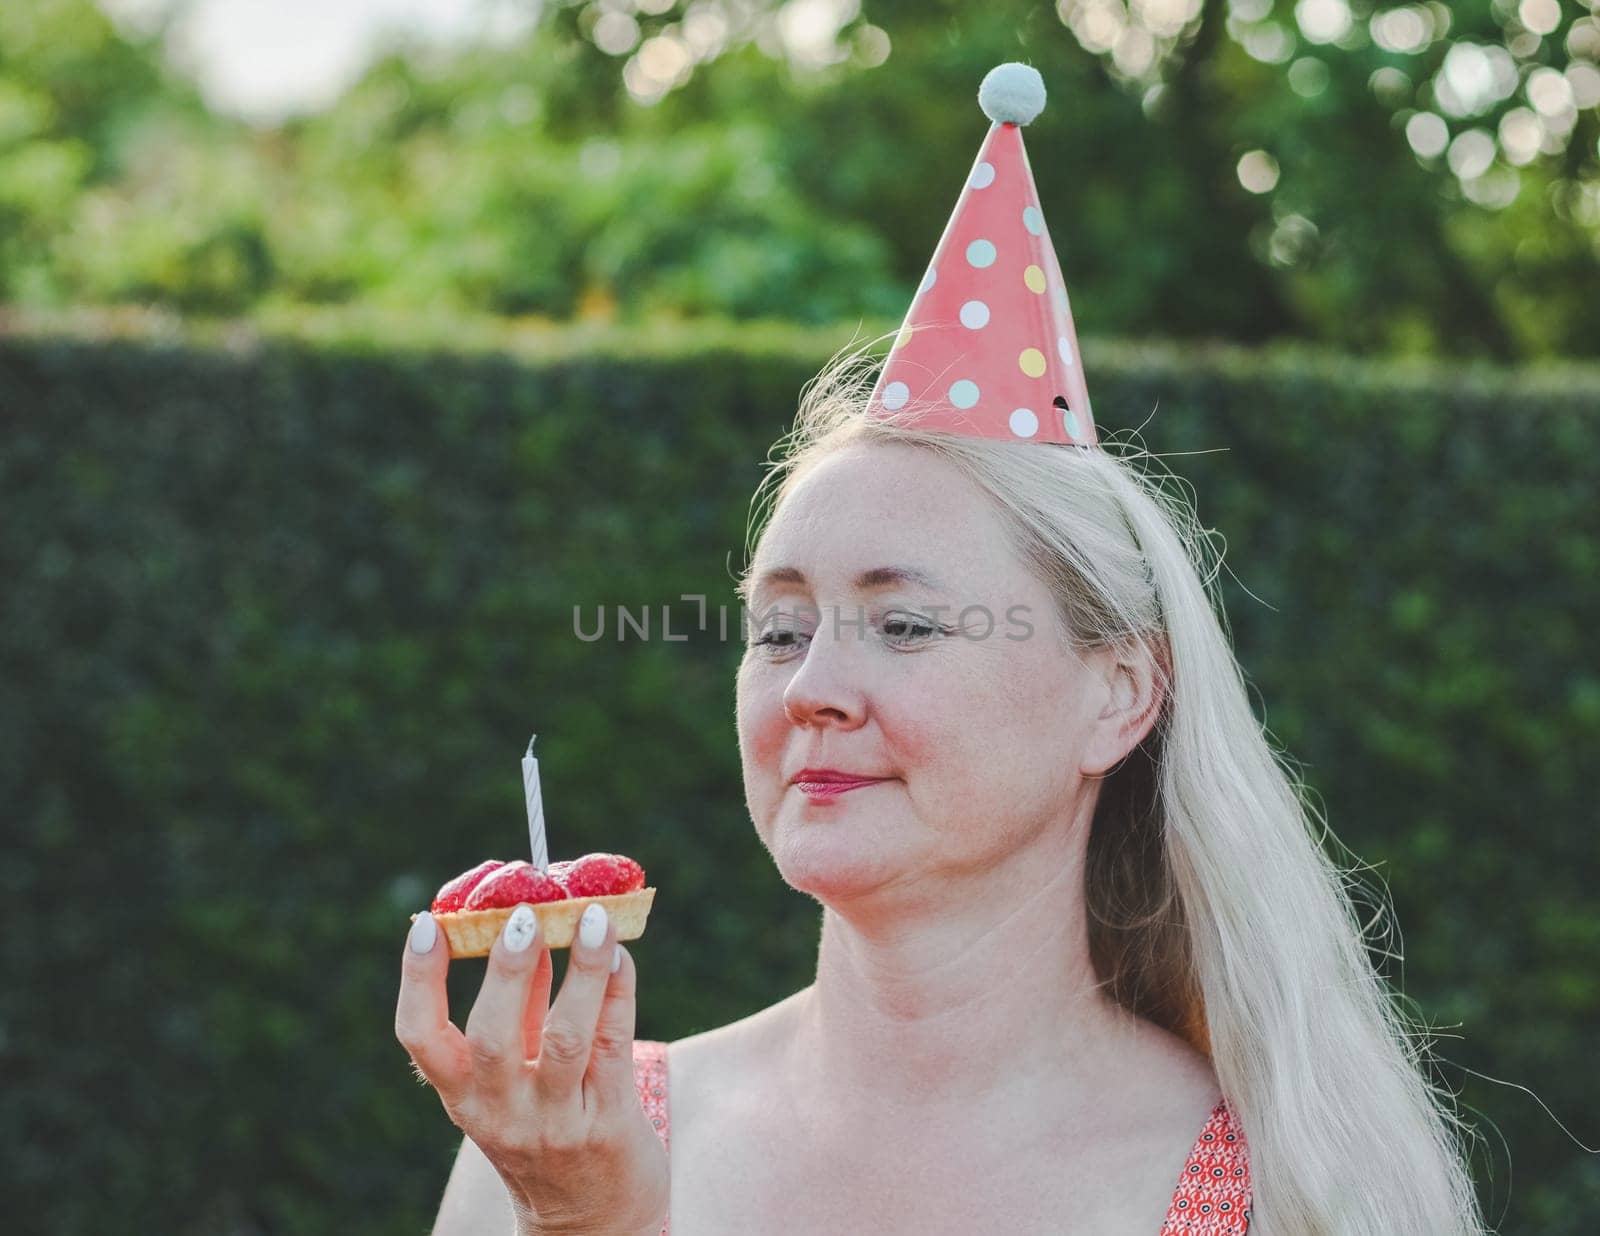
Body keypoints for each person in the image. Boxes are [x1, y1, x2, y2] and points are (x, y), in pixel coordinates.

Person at [395, 64, 1488, 1235]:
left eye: (903, 623)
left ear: (1118, 693)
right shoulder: (565, 1148)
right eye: (777, 630)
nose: (809, 691)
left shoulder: (1287, 1187)